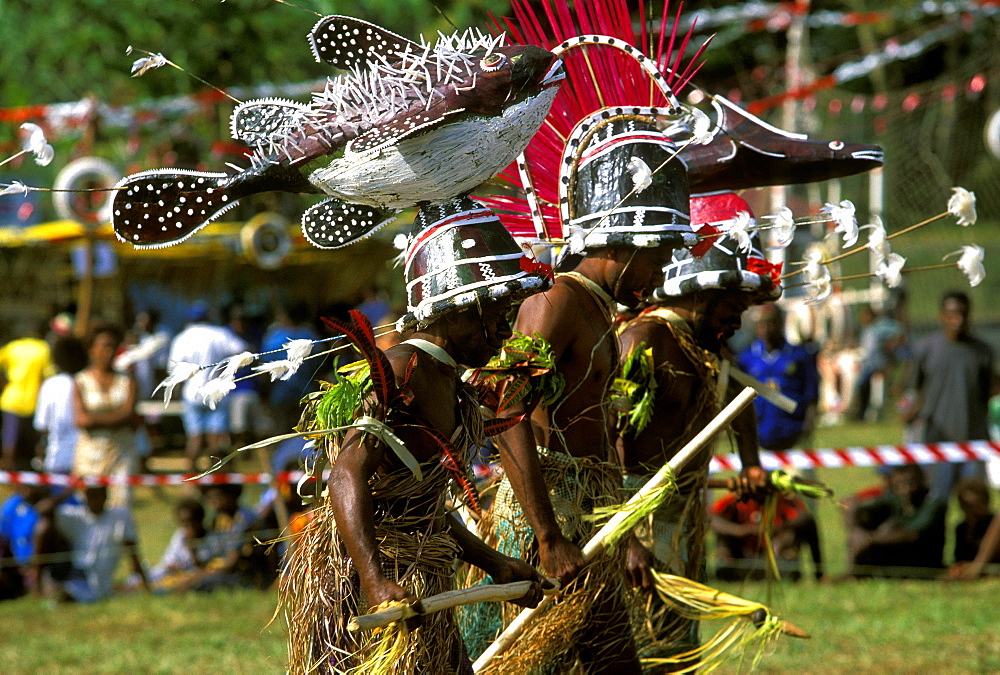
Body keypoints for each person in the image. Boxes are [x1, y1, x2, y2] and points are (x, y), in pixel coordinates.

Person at [282, 198, 551, 673]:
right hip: (371, 576)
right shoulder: (405, 369)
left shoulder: (445, 375)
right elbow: (346, 475)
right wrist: (373, 579)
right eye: (497, 311)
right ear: (458, 310)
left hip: (417, 572)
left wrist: (494, 562)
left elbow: (416, 503)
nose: (507, 329)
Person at [465, 116, 693, 672]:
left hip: (589, 513)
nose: (662, 272)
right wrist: (547, 536)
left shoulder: (601, 309)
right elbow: (505, 408)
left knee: (614, 662)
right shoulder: (558, 302)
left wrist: (621, 533)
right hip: (545, 517)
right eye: (659, 254)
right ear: (622, 241)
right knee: (521, 662)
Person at [616, 191, 773, 661]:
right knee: (638, 649)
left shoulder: (708, 348)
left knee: (677, 647)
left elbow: (736, 394)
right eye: (733, 304)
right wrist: (623, 540)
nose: (739, 318)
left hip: (683, 517)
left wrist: (751, 462)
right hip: (635, 516)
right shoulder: (644, 342)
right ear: (702, 292)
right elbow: (606, 447)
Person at [902, 291, 994, 502]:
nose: (958, 320)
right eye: (952, 314)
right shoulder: (926, 348)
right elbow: (916, 390)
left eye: (962, 313)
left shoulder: (982, 351)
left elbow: (987, 391)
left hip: (974, 439)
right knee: (936, 500)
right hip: (938, 439)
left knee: (974, 502)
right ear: (942, 316)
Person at [167, 302, 247, 471]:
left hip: (192, 393)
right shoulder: (219, 334)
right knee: (216, 437)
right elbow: (243, 350)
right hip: (216, 390)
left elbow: (172, 368)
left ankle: (191, 476)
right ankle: (219, 475)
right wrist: (227, 368)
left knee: (195, 438)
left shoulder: (182, 338)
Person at [34, 485, 149, 602]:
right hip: (72, 571)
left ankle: (63, 593)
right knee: (44, 526)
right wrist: (72, 489)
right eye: (89, 496)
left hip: (96, 581)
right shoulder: (77, 515)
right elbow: (42, 510)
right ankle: (37, 584)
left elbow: (133, 554)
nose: (92, 501)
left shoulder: (119, 516)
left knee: (69, 595)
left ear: (104, 496)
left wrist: (146, 586)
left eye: (96, 496)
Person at [72, 323, 138, 507]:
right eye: (104, 346)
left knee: (121, 505)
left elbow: (130, 415)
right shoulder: (81, 381)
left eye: (113, 346)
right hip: (90, 456)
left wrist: (95, 419)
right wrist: (117, 418)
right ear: (92, 349)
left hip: (121, 453)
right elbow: (81, 420)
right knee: (88, 507)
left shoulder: (127, 380)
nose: (109, 351)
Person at [738, 303, 820, 451]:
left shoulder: (799, 355)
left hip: (793, 434)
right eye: (762, 324)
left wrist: (807, 427)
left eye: (771, 323)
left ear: (781, 323)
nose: (767, 329)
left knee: (798, 474)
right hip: (759, 435)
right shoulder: (746, 358)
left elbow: (811, 394)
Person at [848, 464, 946, 578]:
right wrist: (857, 528)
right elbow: (861, 511)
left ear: (921, 481)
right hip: (896, 551)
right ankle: (854, 577)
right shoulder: (895, 497)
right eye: (899, 483)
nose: (906, 488)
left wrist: (871, 539)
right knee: (859, 537)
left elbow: (912, 534)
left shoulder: (933, 502)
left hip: (923, 559)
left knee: (882, 536)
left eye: (911, 482)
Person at [710, 490, 819, 582]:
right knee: (724, 530)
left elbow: (804, 517)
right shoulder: (736, 498)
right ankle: (727, 566)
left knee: (800, 529)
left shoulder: (781, 499)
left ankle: (817, 574)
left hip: (774, 555)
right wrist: (740, 530)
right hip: (742, 554)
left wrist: (780, 529)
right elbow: (711, 518)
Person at [0, 319, 54, 470]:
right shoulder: (43, 349)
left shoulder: (13, 347)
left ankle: (8, 466)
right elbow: (48, 376)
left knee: (10, 436)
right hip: (33, 401)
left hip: (11, 399)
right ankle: (29, 468)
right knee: (33, 439)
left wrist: (4, 383)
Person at [260, 301, 319, 432]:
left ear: (285, 315)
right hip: (307, 393)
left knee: (282, 432)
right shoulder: (310, 335)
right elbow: (320, 364)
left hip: (281, 395)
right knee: (306, 432)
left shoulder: (274, 338)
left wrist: (264, 393)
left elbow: (265, 369)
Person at [33, 335, 88, 474]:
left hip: (57, 459)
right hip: (87, 459)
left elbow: (41, 424)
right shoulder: (87, 382)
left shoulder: (51, 385)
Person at [148, 497, 211, 593]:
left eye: (192, 523)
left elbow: (204, 567)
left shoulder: (210, 538)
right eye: (185, 523)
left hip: (192, 576)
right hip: (173, 574)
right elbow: (168, 561)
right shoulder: (180, 535)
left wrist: (192, 548)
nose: (189, 527)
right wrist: (173, 566)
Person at [951, 478, 1000, 565]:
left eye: (976, 505)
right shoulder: (961, 528)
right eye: (966, 506)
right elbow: (959, 558)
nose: (972, 511)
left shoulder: (993, 524)